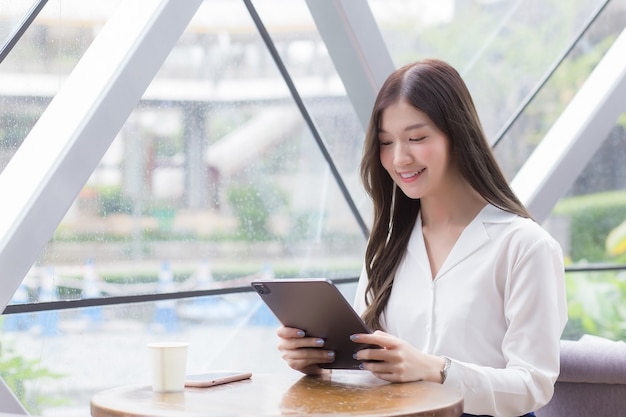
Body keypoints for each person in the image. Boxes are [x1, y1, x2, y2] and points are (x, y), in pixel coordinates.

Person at [277, 58, 568, 417]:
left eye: (416, 138)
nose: (400, 158)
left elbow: (532, 385)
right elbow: (373, 372)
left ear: (457, 135)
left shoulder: (524, 246)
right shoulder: (388, 246)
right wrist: (319, 363)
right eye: (386, 142)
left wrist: (435, 368)